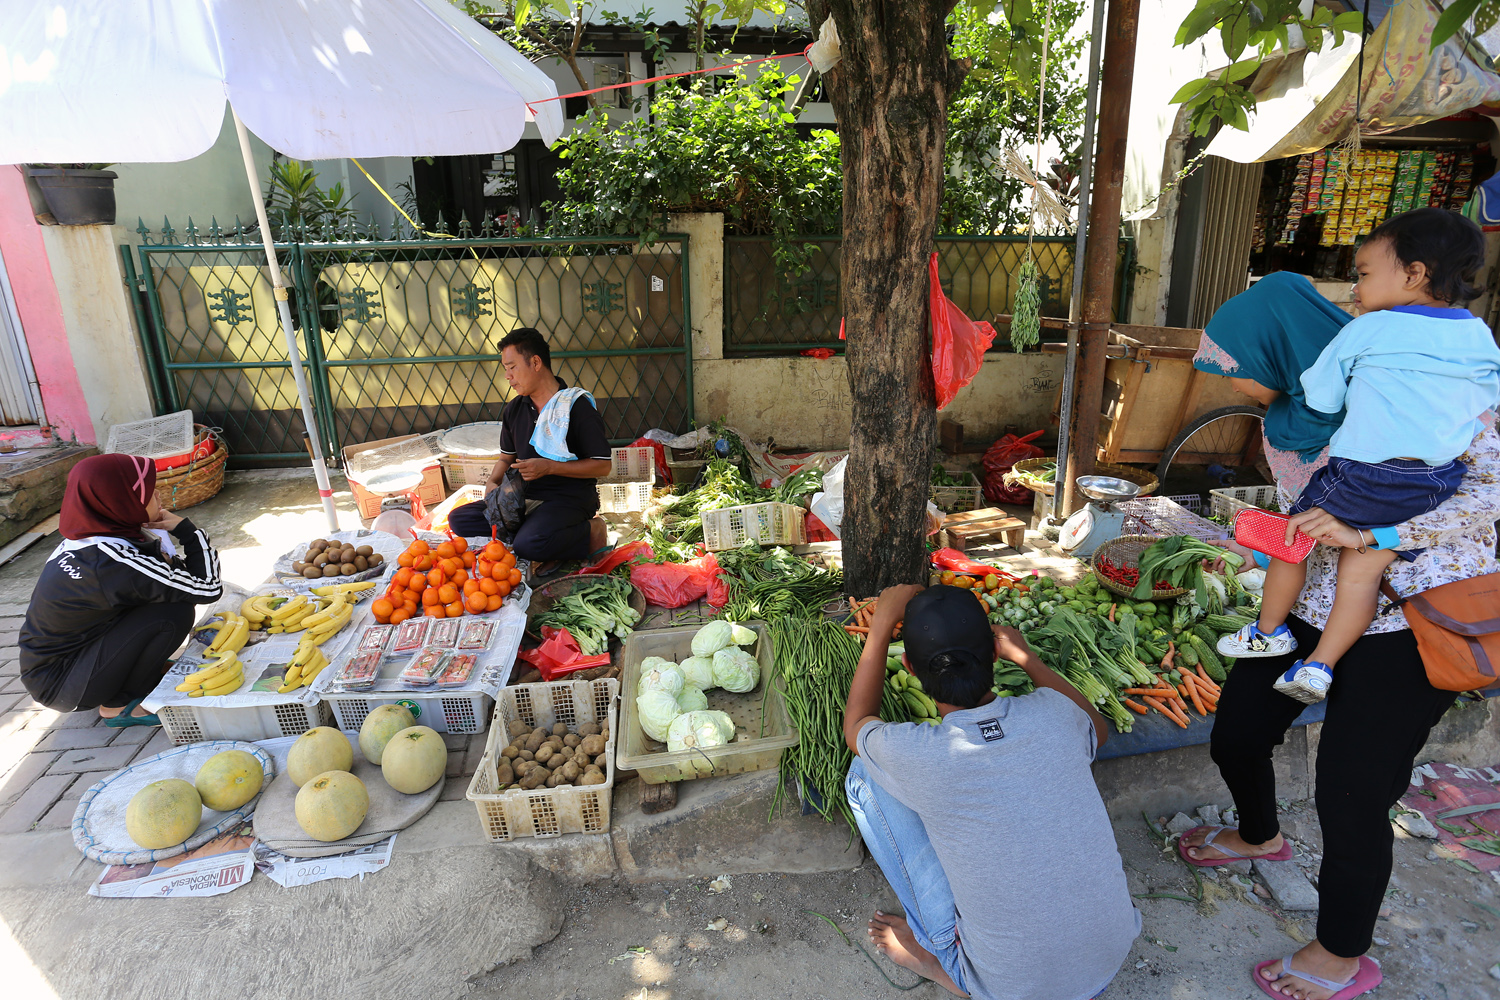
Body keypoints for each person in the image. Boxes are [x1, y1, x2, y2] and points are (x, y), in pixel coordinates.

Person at [1183, 265, 1500, 1000]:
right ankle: (1259, 833)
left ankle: (1339, 953)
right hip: (1316, 598)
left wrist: (1377, 528)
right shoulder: (1292, 413)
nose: (1231, 381)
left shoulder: (1436, 389)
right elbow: (1307, 511)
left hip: (1411, 610)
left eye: (1233, 366)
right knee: (1237, 729)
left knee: (1353, 791)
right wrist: (1274, 536)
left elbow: (1487, 499)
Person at [1219, 210, 1500, 704]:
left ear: (1413, 274)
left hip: (1363, 474)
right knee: (1361, 571)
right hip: (1435, 482)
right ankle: (1320, 667)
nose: (1355, 289)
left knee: (1294, 539)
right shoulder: (1478, 335)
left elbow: (1324, 396)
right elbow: (1482, 404)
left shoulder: (1370, 329)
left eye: (1365, 274)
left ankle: (1269, 633)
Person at [842, 584, 1140, 1000]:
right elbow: (1099, 729)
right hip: (1110, 954)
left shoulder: (918, 753)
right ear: (997, 654)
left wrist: (877, 631)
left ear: (909, 665)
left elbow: (855, 726)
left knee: (863, 773)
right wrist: (1028, 658)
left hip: (1012, 989)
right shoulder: (1055, 714)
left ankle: (938, 965)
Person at [20, 454, 223, 728]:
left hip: (57, 668)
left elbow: (173, 578)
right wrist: (188, 531)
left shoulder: (89, 537)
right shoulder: (111, 560)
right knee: (173, 613)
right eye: (149, 493)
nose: (159, 497)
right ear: (120, 501)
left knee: (166, 597)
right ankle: (119, 704)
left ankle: (140, 673)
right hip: (66, 685)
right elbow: (207, 588)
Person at [447, 327, 612, 574]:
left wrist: (550, 467)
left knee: (528, 544)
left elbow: (603, 465)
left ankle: (592, 529)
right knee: (460, 519)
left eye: (512, 367)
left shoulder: (575, 406)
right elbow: (506, 458)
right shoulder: (515, 409)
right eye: (505, 369)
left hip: (566, 498)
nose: (507, 376)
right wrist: (492, 483)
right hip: (520, 498)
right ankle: (539, 535)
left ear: (535, 362)